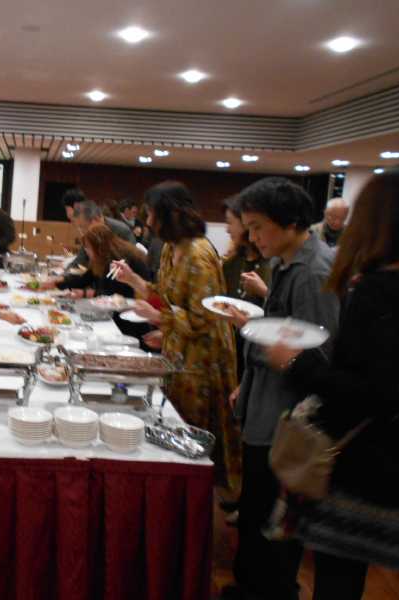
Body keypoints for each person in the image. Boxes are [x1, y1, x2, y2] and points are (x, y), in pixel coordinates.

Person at [265, 167, 399, 600]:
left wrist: (296, 362)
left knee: (338, 580)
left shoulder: (378, 290)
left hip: (362, 462)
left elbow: (368, 391)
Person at [219, 177, 340, 600]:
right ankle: (250, 586)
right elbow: (284, 330)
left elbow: (320, 357)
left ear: (290, 222)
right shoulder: (286, 262)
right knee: (255, 509)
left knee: (274, 520)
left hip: (286, 421)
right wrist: (247, 381)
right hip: (266, 405)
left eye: (257, 227)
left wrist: (275, 353)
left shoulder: (313, 272)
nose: (251, 237)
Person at [112, 181, 240, 495]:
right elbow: (164, 295)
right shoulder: (171, 247)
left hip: (203, 359)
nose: (148, 222)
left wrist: (160, 318)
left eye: (151, 214)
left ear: (170, 215)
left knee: (196, 432)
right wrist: (133, 280)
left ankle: (200, 495)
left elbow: (205, 317)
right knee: (176, 422)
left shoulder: (198, 255)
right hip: (180, 349)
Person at [222, 195, 272, 378]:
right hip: (232, 349)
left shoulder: (272, 263)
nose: (227, 229)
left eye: (230, 223)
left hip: (260, 353)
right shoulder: (231, 263)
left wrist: (263, 291)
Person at [66, 200, 136, 271]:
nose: (82, 233)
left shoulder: (121, 231)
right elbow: (80, 259)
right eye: (80, 228)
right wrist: (65, 274)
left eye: (83, 227)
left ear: (96, 219)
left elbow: (131, 261)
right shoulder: (90, 234)